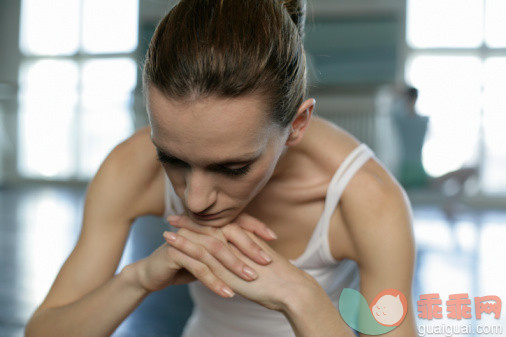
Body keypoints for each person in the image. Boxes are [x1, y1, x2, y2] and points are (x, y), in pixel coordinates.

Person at [25, 1, 417, 336]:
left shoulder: (367, 199)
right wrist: (138, 279)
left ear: (296, 125)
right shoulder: (131, 166)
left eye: (233, 168)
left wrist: (299, 295)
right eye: (172, 159)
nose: (195, 200)